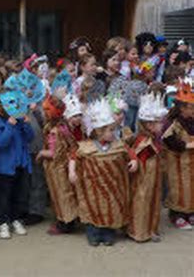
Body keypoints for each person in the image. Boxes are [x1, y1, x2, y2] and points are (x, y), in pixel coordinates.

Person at [69, 98, 138, 246]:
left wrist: (134, 160)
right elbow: (73, 156)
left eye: (113, 129)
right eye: (110, 130)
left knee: (111, 207)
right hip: (91, 187)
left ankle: (108, 232)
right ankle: (93, 233)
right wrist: (72, 172)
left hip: (112, 186)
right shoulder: (86, 146)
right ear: (99, 131)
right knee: (92, 207)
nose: (113, 133)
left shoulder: (118, 144)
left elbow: (129, 151)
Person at [38, 93, 82, 235]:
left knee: (61, 195)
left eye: (46, 110)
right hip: (64, 165)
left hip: (57, 168)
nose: (43, 113)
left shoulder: (54, 132)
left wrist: (40, 154)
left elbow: (52, 152)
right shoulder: (64, 126)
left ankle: (65, 223)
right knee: (67, 194)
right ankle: (69, 220)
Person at [0, 90, 34, 240]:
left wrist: (27, 124)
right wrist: (9, 126)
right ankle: (3, 222)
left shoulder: (21, 120)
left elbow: (30, 138)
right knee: (4, 196)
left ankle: (16, 219)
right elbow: (1, 142)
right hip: (5, 167)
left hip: (21, 164)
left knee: (18, 194)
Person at [128, 93, 168, 242]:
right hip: (143, 180)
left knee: (152, 201)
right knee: (142, 202)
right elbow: (139, 157)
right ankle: (139, 231)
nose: (162, 125)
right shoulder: (144, 141)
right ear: (149, 125)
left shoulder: (153, 139)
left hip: (153, 178)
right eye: (159, 122)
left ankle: (150, 228)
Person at [162, 78, 194, 230]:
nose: (193, 110)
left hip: (191, 162)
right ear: (182, 108)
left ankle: (190, 212)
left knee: (191, 187)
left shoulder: (192, 120)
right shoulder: (173, 122)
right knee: (179, 188)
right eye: (190, 107)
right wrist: (186, 145)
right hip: (178, 162)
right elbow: (168, 139)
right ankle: (177, 214)